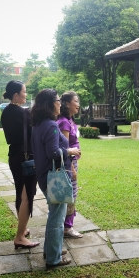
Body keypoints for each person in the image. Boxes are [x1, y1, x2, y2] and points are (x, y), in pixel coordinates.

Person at [30, 89, 81, 269]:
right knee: (57, 218)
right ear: (51, 104)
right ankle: (53, 258)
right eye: (58, 100)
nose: (60, 103)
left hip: (44, 175)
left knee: (54, 215)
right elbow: (53, 152)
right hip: (54, 177)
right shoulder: (50, 125)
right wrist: (70, 151)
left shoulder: (38, 124)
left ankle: (51, 249)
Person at [0, 80, 39, 249]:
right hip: (27, 156)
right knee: (27, 196)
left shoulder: (6, 111)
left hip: (14, 155)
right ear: (16, 95)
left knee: (20, 192)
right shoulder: (24, 113)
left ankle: (23, 229)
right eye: (24, 91)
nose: (26, 94)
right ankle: (19, 237)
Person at [56, 91, 83, 239]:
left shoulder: (70, 121)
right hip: (68, 164)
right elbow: (65, 149)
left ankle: (67, 225)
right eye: (76, 101)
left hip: (73, 162)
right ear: (67, 104)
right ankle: (67, 227)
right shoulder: (64, 123)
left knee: (72, 194)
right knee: (70, 195)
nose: (78, 104)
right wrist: (71, 168)